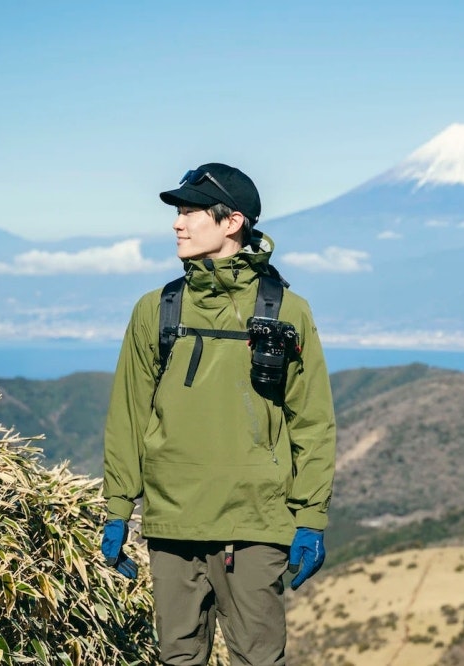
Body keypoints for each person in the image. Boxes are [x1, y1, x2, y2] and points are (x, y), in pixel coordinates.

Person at [100, 163, 337, 666]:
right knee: (178, 659)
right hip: (172, 523)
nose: (177, 223)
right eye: (178, 212)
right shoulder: (157, 309)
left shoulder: (286, 311)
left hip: (255, 524)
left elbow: (312, 421)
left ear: (232, 223)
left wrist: (311, 518)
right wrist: (118, 507)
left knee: (257, 659)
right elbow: (128, 416)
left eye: (190, 211)